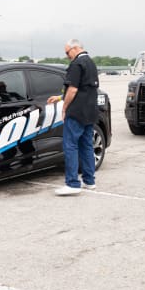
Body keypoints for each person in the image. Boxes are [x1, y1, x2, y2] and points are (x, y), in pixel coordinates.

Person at [47, 39, 99, 196]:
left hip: (76, 112)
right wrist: (59, 97)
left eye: (67, 52)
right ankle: (89, 181)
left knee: (70, 146)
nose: (67, 56)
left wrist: (64, 107)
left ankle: (72, 183)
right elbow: (84, 87)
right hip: (90, 111)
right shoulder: (91, 63)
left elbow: (73, 89)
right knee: (87, 146)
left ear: (75, 48)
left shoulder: (76, 64)